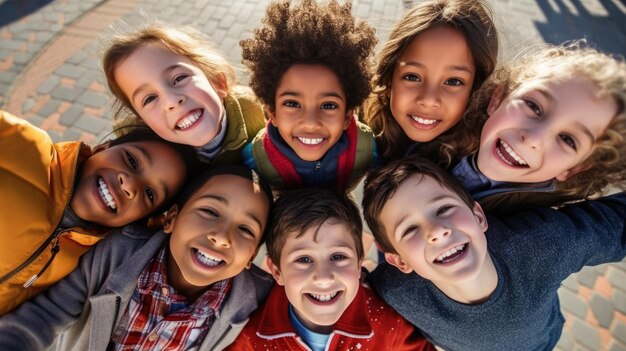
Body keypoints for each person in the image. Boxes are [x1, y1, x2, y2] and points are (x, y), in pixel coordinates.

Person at [361, 155, 626, 351]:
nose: (436, 231)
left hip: (541, 343)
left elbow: (616, 222)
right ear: (399, 261)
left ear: (478, 216)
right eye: (409, 230)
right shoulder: (391, 290)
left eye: (443, 209)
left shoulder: (542, 245)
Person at [0, 166, 275, 351]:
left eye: (245, 229)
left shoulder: (255, 300)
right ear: (171, 218)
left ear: (252, 256)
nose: (223, 237)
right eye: (210, 212)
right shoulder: (116, 252)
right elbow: (43, 317)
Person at [0, 109, 199, 316]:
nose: (129, 185)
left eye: (149, 194)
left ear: (144, 219)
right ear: (102, 148)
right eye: (131, 160)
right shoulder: (25, 145)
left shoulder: (89, 260)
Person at [228, 188, 434, 351]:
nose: (324, 278)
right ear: (277, 272)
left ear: (358, 263)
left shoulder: (389, 325)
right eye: (304, 259)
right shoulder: (249, 338)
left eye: (338, 257)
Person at [448, 43, 626, 214]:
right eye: (534, 106)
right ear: (498, 98)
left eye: (567, 139)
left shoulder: (534, 221)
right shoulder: (439, 130)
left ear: (574, 169)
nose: (533, 139)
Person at [239, 0, 378, 192]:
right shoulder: (256, 159)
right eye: (292, 103)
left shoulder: (366, 147)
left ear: (347, 116)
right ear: (272, 112)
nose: (311, 123)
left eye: (329, 105)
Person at [102, 22, 265, 165]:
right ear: (144, 122)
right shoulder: (140, 150)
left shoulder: (255, 107)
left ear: (217, 82)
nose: (171, 101)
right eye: (149, 99)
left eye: (179, 78)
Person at [363, 0, 498, 163]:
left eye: (454, 81)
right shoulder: (361, 118)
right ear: (389, 76)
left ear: (477, 89)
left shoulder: (475, 166)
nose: (428, 100)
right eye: (412, 77)